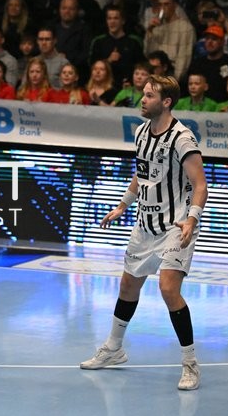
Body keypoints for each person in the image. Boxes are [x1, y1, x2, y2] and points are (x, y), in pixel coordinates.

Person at [82, 74, 208, 392]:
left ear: (166, 102)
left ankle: (190, 363)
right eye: (143, 94)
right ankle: (113, 349)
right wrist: (123, 206)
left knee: (168, 289)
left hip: (175, 226)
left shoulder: (182, 138)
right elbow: (142, 175)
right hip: (145, 225)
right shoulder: (141, 132)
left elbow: (200, 184)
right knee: (127, 285)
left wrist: (192, 220)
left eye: (149, 95)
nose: (143, 99)